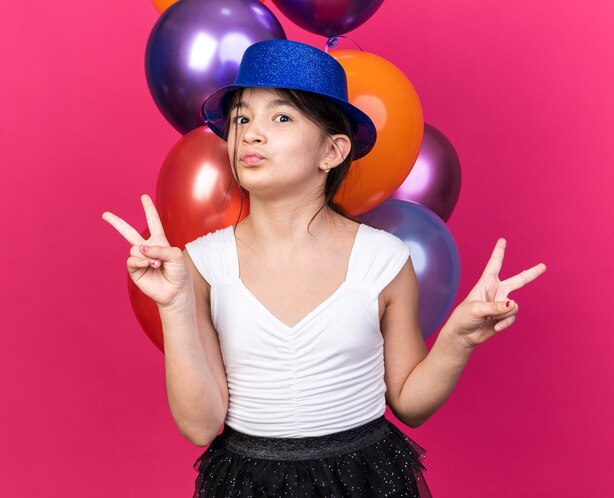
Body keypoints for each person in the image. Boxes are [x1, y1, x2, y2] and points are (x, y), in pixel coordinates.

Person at [102, 40, 546, 497]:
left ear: (332, 151)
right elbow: (200, 426)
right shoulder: (202, 263)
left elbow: (410, 404)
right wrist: (175, 307)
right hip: (246, 483)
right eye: (241, 118)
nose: (252, 134)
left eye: (281, 117)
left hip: (364, 479)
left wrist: (459, 338)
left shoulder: (384, 259)